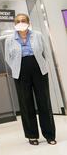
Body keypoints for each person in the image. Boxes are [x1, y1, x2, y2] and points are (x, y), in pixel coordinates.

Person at [4, 13, 56, 146]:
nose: (21, 23)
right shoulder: (10, 40)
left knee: (44, 101)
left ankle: (49, 134)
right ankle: (32, 135)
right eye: (18, 21)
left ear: (28, 22)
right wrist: (16, 68)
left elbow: (46, 52)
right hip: (21, 71)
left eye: (23, 20)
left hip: (38, 69)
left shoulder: (37, 35)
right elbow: (8, 58)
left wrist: (45, 65)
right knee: (26, 104)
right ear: (14, 24)